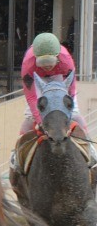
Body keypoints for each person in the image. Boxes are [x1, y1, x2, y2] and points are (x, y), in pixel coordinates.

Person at [19, 32, 97, 166]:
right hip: (37, 77)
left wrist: (67, 116)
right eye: (43, 62)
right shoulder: (28, 63)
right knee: (29, 119)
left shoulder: (66, 59)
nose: (47, 66)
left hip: (59, 76)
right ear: (36, 58)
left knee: (76, 116)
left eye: (50, 62)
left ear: (58, 57)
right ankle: (16, 157)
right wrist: (40, 120)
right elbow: (32, 97)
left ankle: (91, 150)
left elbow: (70, 94)